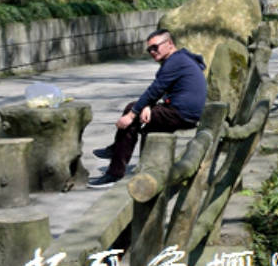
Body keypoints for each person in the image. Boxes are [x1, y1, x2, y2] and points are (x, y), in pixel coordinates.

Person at [89, 28, 208, 188]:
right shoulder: (180, 59)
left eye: (155, 47)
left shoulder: (175, 62)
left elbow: (155, 90)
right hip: (182, 111)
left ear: (170, 44)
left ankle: (114, 172)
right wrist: (148, 106)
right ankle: (140, 167)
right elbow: (160, 91)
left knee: (131, 112)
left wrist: (132, 115)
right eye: (149, 49)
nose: (152, 51)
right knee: (145, 124)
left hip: (182, 114)